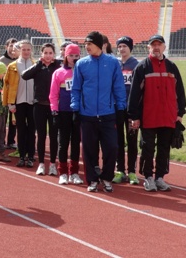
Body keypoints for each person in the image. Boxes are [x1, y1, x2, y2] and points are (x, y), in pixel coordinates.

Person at [128, 35, 186, 192]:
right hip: (148, 117)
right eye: (153, 45)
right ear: (148, 48)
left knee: (164, 148)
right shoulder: (142, 67)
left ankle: (160, 177)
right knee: (147, 148)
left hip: (168, 117)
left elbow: (180, 92)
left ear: (164, 47)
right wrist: (134, 116)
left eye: (159, 45)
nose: (156, 47)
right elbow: (134, 95)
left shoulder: (172, 67)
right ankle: (148, 177)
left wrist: (180, 113)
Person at [71, 31, 125, 193]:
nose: (86, 47)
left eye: (90, 44)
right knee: (89, 150)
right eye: (85, 44)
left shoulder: (113, 63)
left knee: (112, 147)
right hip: (87, 116)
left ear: (100, 45)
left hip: (108, 114)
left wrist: (121, 107)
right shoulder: (81, 64)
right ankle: (92, 180)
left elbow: (118, 87)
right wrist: (75, 108)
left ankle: (106, 177)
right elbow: (76, 89)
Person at [22, 43, 61, 176]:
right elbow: (25, 76)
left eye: (50, 53)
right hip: (39, 106)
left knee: (54, 136)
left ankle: (52, 165)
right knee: (41, 136)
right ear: (41, 54)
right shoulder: (38, 67)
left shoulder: (57, 67)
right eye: (46, 53)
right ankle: (41, 164)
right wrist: (39, 64)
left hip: (54, 106)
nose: (48, 56)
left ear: (54, 54)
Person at [49, 43, 83, 185]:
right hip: (63, 112)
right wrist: (54, 110)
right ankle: (63, 172)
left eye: (76, 55)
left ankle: (74, 172)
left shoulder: (82, 71)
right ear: (65, 55)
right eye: (71, 55)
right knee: (63, 142)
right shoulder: (59, 72)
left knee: (76, 142)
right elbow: (53, 94)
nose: (74, 58)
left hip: (78, 113)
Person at [2, 40, 36, 168]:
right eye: (23, 49)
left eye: (28, 49)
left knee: (32, 130)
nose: (26, 52)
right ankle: (22, 156)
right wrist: (10, 103)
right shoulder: (12, 66)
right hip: (18, 102)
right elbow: (7, 86)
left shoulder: (36, 64)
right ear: (19, 50)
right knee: (21, 130)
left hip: (33, 103)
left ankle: (31, 156)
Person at [113, 36, 140, 185]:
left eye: (124, 46)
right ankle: (120, 170)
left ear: (130, 48)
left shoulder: (136, 65)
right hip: (117, 109)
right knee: (118, 140)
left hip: (132, 110)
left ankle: (131, 172)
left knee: (132, 141)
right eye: (120, 46)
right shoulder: (114, 64)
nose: (122, 49)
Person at [0, 38, 19, 149]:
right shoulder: (1, 60)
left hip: (16, 94)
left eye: (15, 46)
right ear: (6, 47)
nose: (12, 48)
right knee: (3, 118)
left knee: (14, 120)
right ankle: (1, 140)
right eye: (10, 45)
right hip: (4, 94)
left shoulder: (19, 61)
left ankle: (11, 141)